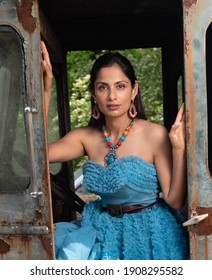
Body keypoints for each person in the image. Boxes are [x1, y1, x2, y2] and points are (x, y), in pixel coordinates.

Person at [41, 41, 189, 260]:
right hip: (103, 228)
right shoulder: (86, 137)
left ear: (133, 90)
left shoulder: (154, 134)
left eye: (120, 86)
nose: (112, 96)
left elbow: (175, 200)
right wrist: (45, 92)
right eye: (103, 87)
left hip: (150, 233)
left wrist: (178, 148)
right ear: (93, 93)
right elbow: (38, 155)